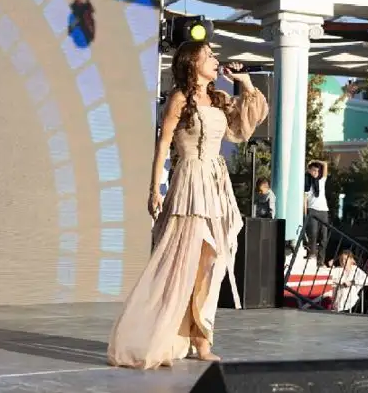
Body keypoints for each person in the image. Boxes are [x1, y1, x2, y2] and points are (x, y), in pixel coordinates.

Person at [106, 42, 268, 369]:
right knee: (184, 261)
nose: (215, 59)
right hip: (191, 182)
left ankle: (201, 338)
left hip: (216, 184)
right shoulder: (180, 99)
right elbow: (164, 143)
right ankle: (162, 333)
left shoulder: (220, 98)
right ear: (192, 63)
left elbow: (244, 128)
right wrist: (155, 189)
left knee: (214, 262)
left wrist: (246, 83)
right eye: (208, 55)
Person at [303, 160, 329, 263]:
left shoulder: (321, 181)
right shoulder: (306, 184)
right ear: (309, 170)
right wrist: (305, 213)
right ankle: (312, 254)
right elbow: (304, 200)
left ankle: (321, 261)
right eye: (313, 170)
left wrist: (314, 161)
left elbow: (325, 164)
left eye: (317, 171)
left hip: (323, 211)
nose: (316, 173)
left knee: (324, 236)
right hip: (312, 210)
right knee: (313, 234)